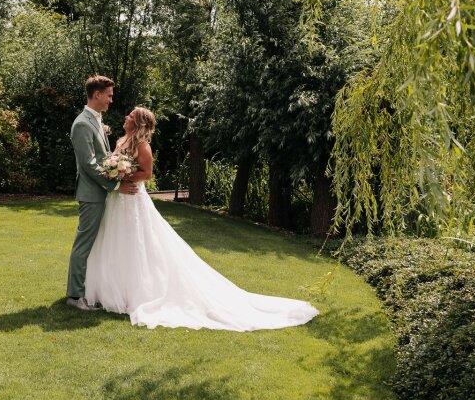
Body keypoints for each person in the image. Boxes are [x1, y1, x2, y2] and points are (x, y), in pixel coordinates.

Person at [84, 106, 319, 331]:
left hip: (133, 200)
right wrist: (115, 173)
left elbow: (147, 174)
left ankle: (137, 291)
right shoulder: (120, 141)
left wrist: (125, 173)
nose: (126, 117)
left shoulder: (143, 145)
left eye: (131, 115)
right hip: (117, 200)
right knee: (116, 241)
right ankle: (113, 289)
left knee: (137, 243)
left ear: (138, 123)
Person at [66, 75, 137, 311]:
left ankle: (91, 289)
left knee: (98, 244)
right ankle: (75, 296)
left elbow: (103, 158)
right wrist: (115, 185)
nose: (111, 100)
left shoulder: (96, 120)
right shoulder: (82, 124)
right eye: (109, 95)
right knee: (84, 244)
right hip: (91, 194)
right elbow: (88, 164)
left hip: (100, 192)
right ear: (97, 94)